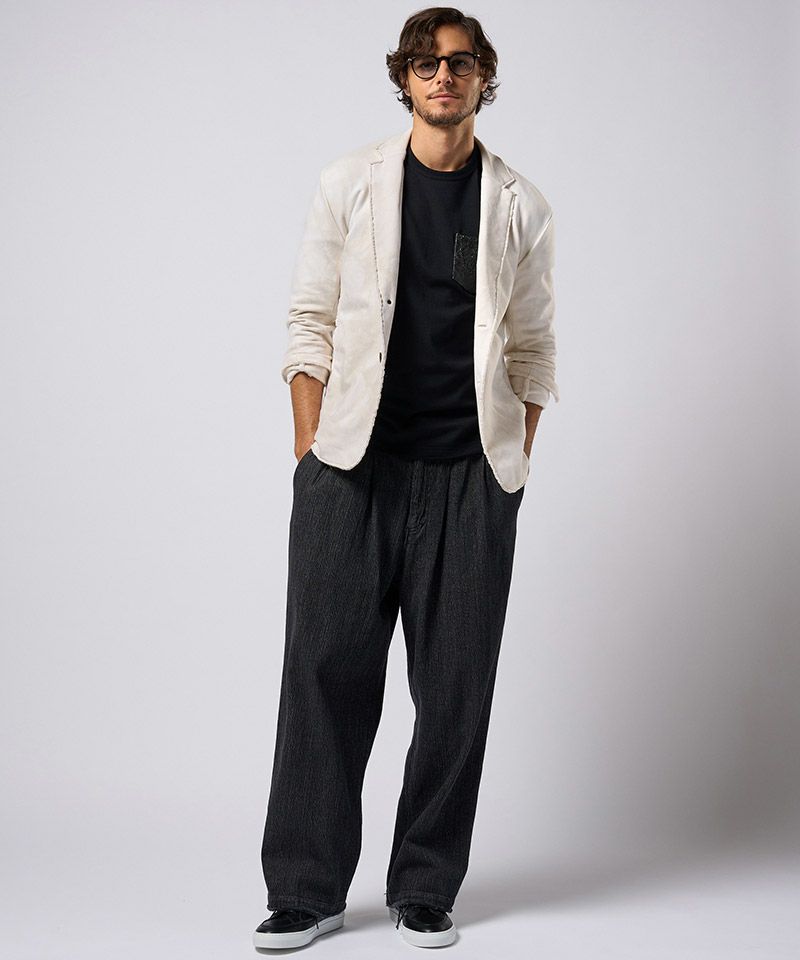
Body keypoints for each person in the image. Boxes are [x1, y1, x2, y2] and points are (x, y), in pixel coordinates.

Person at [253, 6, 559, 951]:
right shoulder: (349, 183)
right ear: (404, 78)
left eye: (460, 63)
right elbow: (308, 320)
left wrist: (511, 465)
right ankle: (306, 891)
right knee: (324, 677)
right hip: (353, 473)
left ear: (483, 78)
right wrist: (311, 449)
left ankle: (425, 885)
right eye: (426, 63)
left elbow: (534, 348)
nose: (443, 77)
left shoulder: (521, 205)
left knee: (456, 691)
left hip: (471, 479)